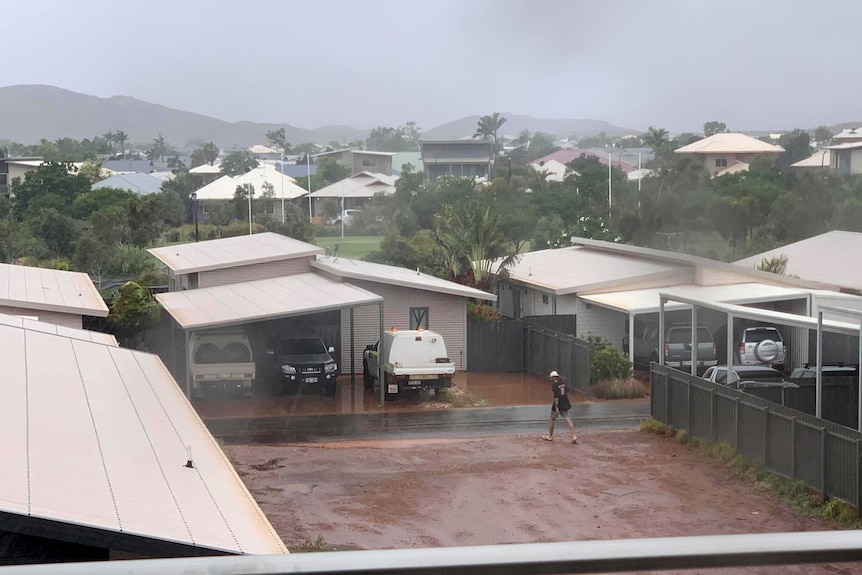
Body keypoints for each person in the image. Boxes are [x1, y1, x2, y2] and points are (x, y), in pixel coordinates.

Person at [543, 370, 578, 444]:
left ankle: (550, 436)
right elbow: (567, 392)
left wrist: (556, 407)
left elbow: (556, 397)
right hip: (564, 401)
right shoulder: (564, 384)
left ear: (553, 378)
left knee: (552, 419)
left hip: (558, 403)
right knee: (568, 418)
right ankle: (574, 435)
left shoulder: (554, 385)